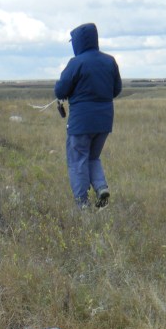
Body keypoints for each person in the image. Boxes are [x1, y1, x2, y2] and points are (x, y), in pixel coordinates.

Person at [54, 23, 122, 210]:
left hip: (81, 122)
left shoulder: (76, 63)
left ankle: (82, 203)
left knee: (77, 160)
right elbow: (116, 89)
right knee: (93, 157)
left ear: (78, 42)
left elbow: (60, 90)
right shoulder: (110, 61)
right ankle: (101, 188)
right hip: (105, 121)